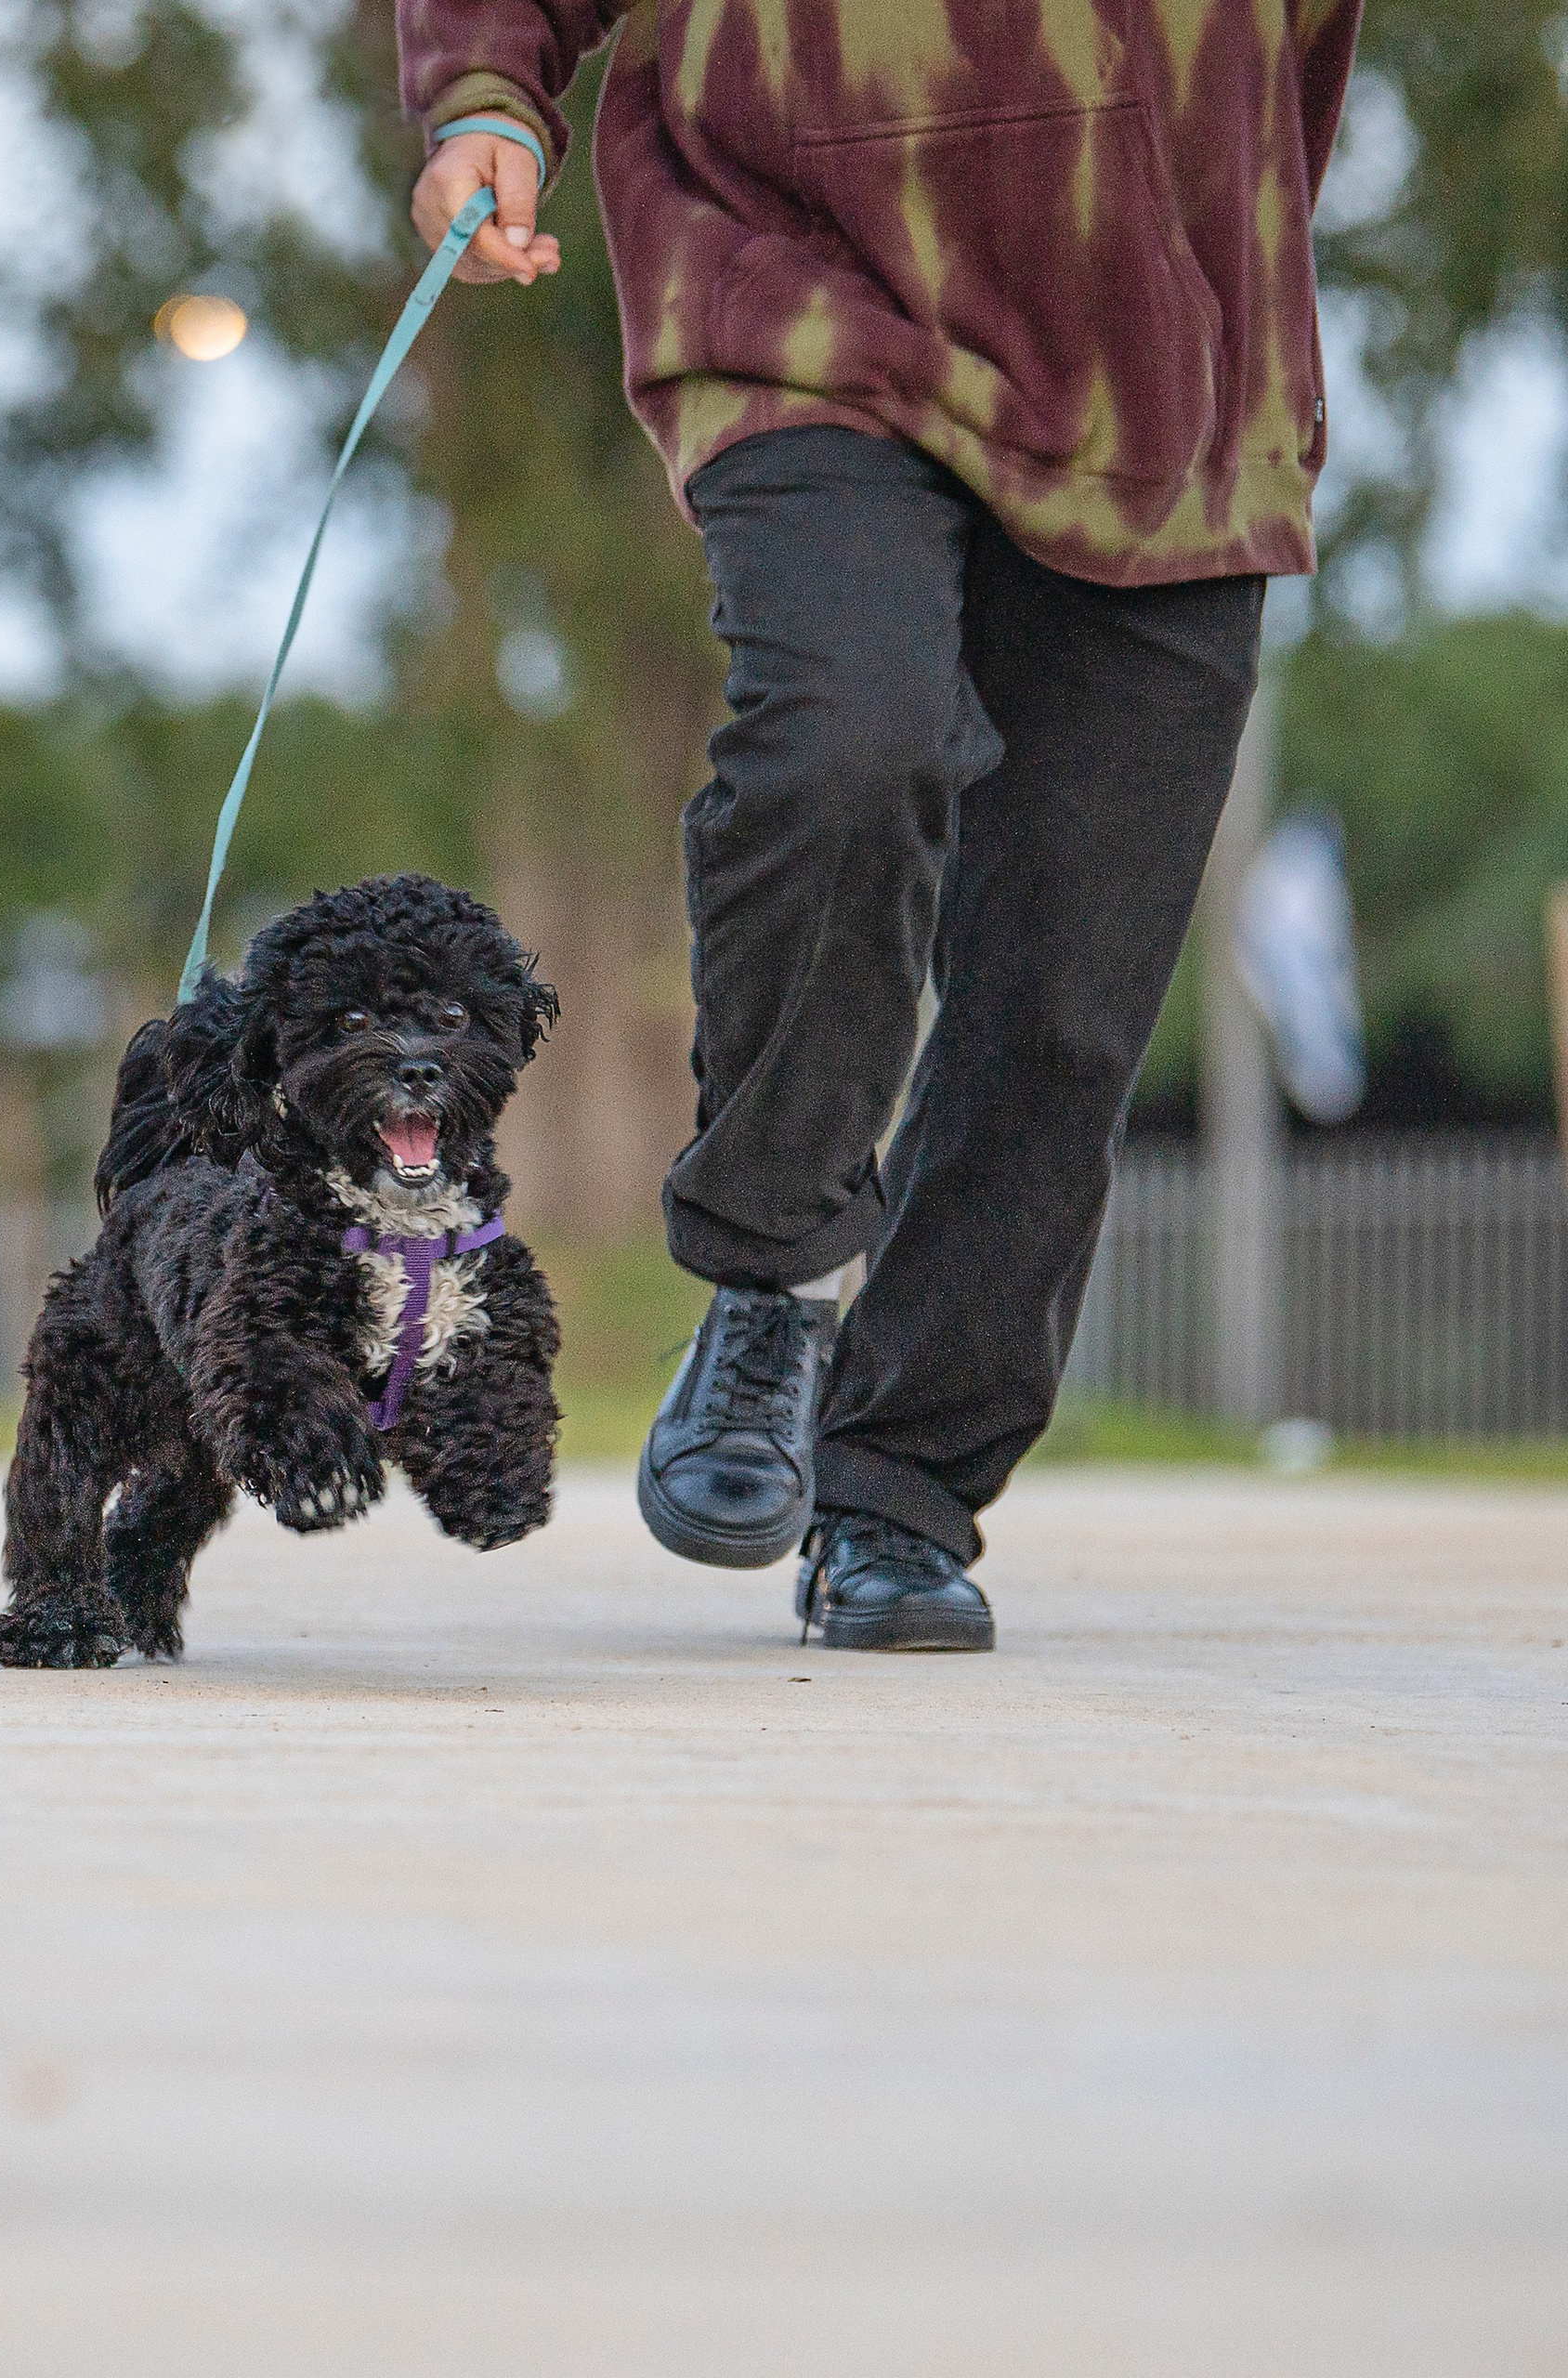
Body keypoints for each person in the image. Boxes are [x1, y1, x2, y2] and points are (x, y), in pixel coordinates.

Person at [397, 0, 1360, 1649]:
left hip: (1170, 338)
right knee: (849, 744)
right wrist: (488, 90)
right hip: (794, 261)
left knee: (1067, 975)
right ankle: (771, 1273)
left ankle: (904, 1489)